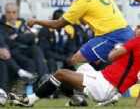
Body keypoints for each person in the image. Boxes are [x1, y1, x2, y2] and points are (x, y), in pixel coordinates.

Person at [27, 0, 140, 70]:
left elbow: (58, 24)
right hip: (125, 30)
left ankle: (93, 87)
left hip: (112, 36)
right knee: (127, 67)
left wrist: (36, 21)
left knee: (77, 61)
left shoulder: (81, 2)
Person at [8, 33, 140, 107]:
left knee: (61, 74)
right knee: (72, 72)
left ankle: (30, 100)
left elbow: (111, 56)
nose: (136, 29)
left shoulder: (136, 41)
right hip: (103, 79)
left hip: (103, 84)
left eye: (139, 27)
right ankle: (79, 102)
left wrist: (118, 46)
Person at [0, 3, 49, 85]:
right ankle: (28, 84)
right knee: (30, 63)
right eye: (8, 12)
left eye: (14, 12)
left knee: (35, 48)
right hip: (13, 53)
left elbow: (32, 38)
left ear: (18, 13)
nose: (11, 15)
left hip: (25, 50)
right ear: (5, 13)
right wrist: (23, 36)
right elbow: (7, 42)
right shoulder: (1, 26)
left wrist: (17, 36)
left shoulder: (22, 23)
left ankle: (44, 75)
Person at [38, 9, 77, 73]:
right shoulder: (45, 30)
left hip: (64, 56)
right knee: (51, 61)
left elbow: (72, 47)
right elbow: (46, 51)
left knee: (74, 61)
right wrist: (64, 59)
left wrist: (70, 56)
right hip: (51, 57)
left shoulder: (69, 30)